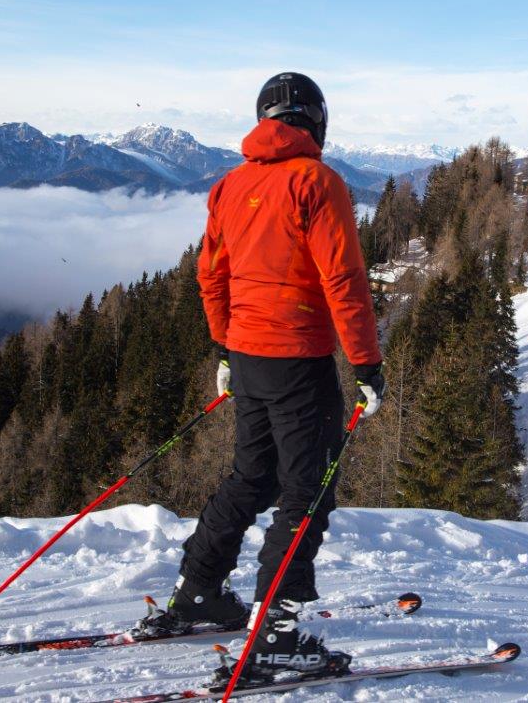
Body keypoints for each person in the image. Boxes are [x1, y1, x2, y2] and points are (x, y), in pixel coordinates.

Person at [140, 72, 386, 680]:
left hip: (247, 357)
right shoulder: (317, 182)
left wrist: (224, 349)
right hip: (299, 359)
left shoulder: (230, 185)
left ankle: (198, 590)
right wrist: (366, 365)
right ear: (317, 121)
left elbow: (211, 277)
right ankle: (274, 635)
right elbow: (343, 281)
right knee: (307, 490)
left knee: (251, 475)